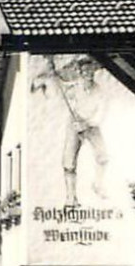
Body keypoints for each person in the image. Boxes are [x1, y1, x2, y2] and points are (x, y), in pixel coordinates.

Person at [31, 55, 108, 206]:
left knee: (103, 157)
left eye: (90, 72)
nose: (88, 75)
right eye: (85, 72)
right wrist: (48, 74)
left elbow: (101, 112)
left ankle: (98, 184)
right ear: (80, 73)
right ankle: (71, 198)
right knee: (69, 162)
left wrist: (87, 124)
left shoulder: (99, 91)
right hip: (74, 123)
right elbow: (57, 85)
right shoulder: (73, 87)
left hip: (91, 125)